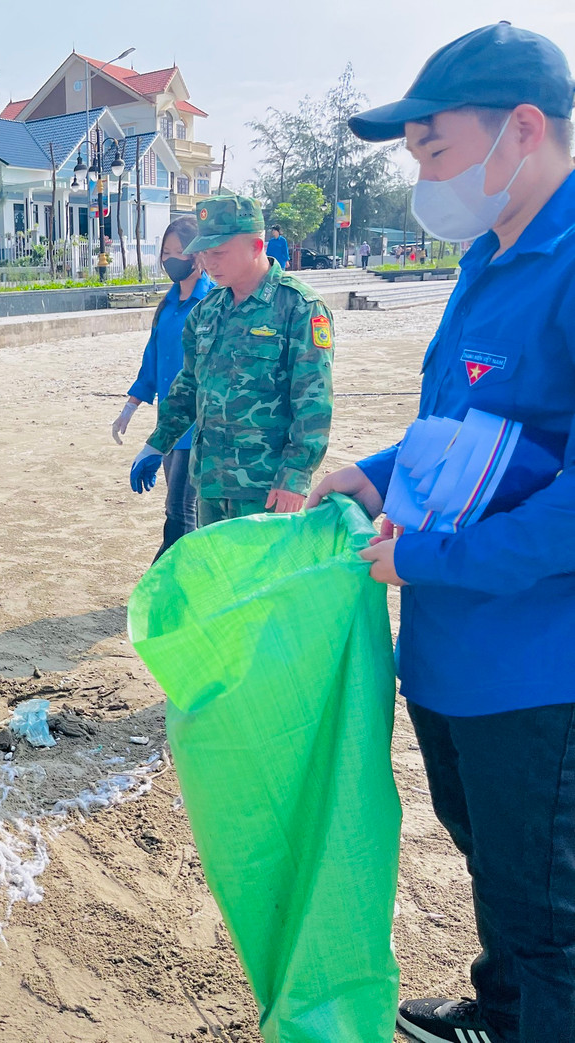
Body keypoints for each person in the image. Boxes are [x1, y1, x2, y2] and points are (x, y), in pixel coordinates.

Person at [307, 23, 575, 1043]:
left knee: (549, 912)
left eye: (432, 150)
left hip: (536, 667)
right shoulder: (483, 256)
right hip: (451, 652)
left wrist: (426, 555)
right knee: (493, 863)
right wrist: (363, 478)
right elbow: (451, 436)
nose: (421, 178)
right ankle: (500, 1012)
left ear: (520, 129)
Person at [129, 193, 333, 525]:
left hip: (266, 489)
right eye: (205, 252)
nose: (209, 263)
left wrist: (295, 474)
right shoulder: (206, 311)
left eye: (219, 253)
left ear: (256, 246)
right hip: (210, 482)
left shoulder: (299, 308)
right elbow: (189, 387)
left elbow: (313, 401)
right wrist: (158, 443)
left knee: (263, 578)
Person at [113, 215, 214, 557]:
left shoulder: (212, 303)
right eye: (166, 251)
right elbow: (153, 359)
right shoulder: (167, 306)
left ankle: (166, 579)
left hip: (198, 424)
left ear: (198, 255)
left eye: (179, 251)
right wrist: (131, 405)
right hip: (169, 425)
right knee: (181, 509)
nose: (171, 259)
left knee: (181, 510)